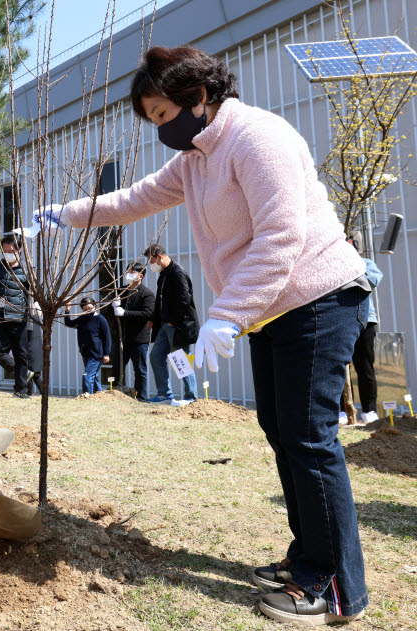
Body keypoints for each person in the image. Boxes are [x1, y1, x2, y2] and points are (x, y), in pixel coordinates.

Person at [36, 44, 369, 625]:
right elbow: (133, 199)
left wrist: (225, 313)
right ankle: (309, 557)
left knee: (310, 438)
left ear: (197, 95)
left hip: (317, 298)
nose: (160, 129)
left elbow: (280, 238)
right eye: (152, 120)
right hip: (273, 309)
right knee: (282, 431)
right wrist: (61, 214)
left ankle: (337, 586)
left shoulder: (258, 137)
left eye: (162, 115)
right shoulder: (195, 157)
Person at [144, 243, 199, 403]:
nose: (151, 265)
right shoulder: (163, 274)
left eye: (151, 260)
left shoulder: (177, 273)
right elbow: (160, 301)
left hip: (178, 325)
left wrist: (173, 322)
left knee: (180, 359)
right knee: (156, 356)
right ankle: (165, 395)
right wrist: (154, 320)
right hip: (164, 325)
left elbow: (184, 300)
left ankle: (191, 397)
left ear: (159, 257)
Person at [341, 232, 382, 425]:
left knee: (365, 367)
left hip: (366, 321)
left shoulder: (367, 263)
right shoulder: (333, 266)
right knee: (339, 368)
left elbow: (372, 281)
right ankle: (342, 411)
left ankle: (370, 410)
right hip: (339, 321)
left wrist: (352, 269)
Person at [0, 233, 31, 398]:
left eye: (10, 251)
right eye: (4, 251)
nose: (7, 254)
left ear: (19, 250)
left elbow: (35, 291)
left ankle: (21, 390)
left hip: (19, 317)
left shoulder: (27, 269)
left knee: (21, 353)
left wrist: (37, 305)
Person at [109, 259, 155, 401]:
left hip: (139, 338)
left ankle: (140, 397)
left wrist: (125, 313)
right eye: (127, 271)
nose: (128, 274)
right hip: (122, 337)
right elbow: (112, 314)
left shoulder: (147, 294)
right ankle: (114, 393)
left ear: (140, 276)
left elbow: (147, 314)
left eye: (131, 272)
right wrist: (113, 306)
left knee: (139, 369)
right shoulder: (121, 291)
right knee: (117, 366)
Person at [62, 297, 111, 396]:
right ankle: (100, 395)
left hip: (96, 354)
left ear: (95, 306)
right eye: (85, 310)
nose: (88, 311)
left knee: (87, 375)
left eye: (90, 308)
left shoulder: (100, 319)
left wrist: (106, 354)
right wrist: (67, 310)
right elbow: (69, 323)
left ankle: (87, 396)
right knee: (94, 376)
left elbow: (107, 337)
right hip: (85, 353)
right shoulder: (82, 319)